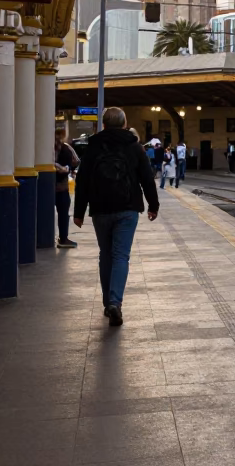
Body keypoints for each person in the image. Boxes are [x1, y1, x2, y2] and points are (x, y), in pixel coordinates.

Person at [73, 107, 160, 326]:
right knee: (121, 256)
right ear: (124, 123)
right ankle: (115, 302)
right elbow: (147, 178)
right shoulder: (134, 146)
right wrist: (153, 205)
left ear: (103, 124)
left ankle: (107, 303)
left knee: (106, 254)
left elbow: (82, 180)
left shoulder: (93, 147)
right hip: (127, 207)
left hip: (100, 208)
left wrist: (79, 212)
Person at [54, 128, 80, 247]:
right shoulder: (66, 148)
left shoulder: (44, 148)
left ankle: (45, 238)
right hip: (61, 186)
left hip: (48, 185)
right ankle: (63, 238)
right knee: (63, 213)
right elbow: (76, 160)